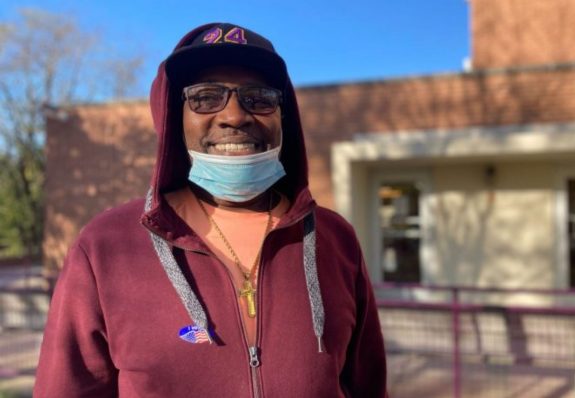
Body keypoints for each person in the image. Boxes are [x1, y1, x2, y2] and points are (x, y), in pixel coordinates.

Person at [34, 22, 388, 397]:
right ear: (173, 118)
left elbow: (367, 385)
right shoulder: (106, 247)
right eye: (205, 98)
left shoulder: (335, 240)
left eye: (259, 97)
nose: (234, 116)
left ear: (284, 116)